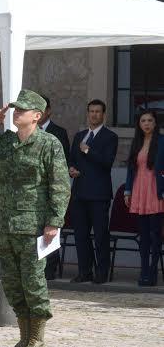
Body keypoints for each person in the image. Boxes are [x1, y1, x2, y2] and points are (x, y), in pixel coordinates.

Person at [0, 89, 71, 347]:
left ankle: (38, 341)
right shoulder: (5, 142)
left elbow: (60, 185)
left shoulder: (49, 144)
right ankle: (24, 339)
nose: (16, 113)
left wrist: (54, 222)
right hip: (5, 224)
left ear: (37, 116)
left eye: (22, 110)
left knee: (34, 282)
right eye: (15, 109)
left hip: (35, 227)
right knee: (13, 284)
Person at [67, 99, 118, 284]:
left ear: (103, 114)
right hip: (79, 192)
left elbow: (107, 163)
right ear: (87, 113)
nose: (94, 114)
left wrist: (89, 151)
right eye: (91, 111)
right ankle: (84, 271)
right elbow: (72, 159)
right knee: (80, 235)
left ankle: (102, 273)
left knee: (100, 235)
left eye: (98, 111)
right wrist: (71, 169)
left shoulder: (109, 137)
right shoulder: (80, 135)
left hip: (99, 194)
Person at [123, 108, 164, 286]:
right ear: (139, 124)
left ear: (155, 124)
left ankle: (153, 272)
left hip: (156, 191)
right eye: (143, 121)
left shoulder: (162, 141)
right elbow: (131, 169)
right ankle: (144, 271)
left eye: (150, 121)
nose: (146, 124)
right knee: (144, 236)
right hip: (139, 190)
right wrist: (127, 191)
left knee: (156, 235)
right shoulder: (137, 142)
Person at [38, 94, 70, 280]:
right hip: (35, 191)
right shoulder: (27, 132)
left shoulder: (59, 132)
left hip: (52, 189)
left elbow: (63, 163)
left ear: (48, 110)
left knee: (51, 229)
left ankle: (50, 270)